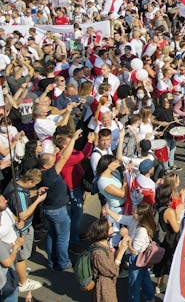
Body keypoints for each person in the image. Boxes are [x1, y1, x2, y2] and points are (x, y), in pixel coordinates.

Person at [39, 127, 83, 270]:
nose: (56, 159)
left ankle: (52, 261)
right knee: (63, 238)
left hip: (48, 209)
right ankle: (64, 262)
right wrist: (74, 138)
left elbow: (61, 156)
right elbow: (64, 158)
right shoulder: (51, 174)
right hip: (58, 210)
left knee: (52, 235)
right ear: (48, 165)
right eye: (53, 160)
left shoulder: (41, 173)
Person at [1, 170, 44, 293]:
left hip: (16, 227)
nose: (35, 186)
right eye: (34, 184)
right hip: (22, 231)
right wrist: (38, 200)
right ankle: (23, 281)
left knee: (20, 257)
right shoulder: (18, 194)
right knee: (21, 257)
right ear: (30, 181)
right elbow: (23, 215)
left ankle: (21, 272)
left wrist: (36, 192)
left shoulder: (15, 182)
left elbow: (23, 195)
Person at [86, 217, 131, 302]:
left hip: (107, 284)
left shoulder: (103, 244)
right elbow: (113, 270)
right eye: (110, 226)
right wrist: (121, 251)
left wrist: (119, 249)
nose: (113, 228)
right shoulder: (99, 254)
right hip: (104, 287)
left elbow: (110, 262)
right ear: (104, 231)